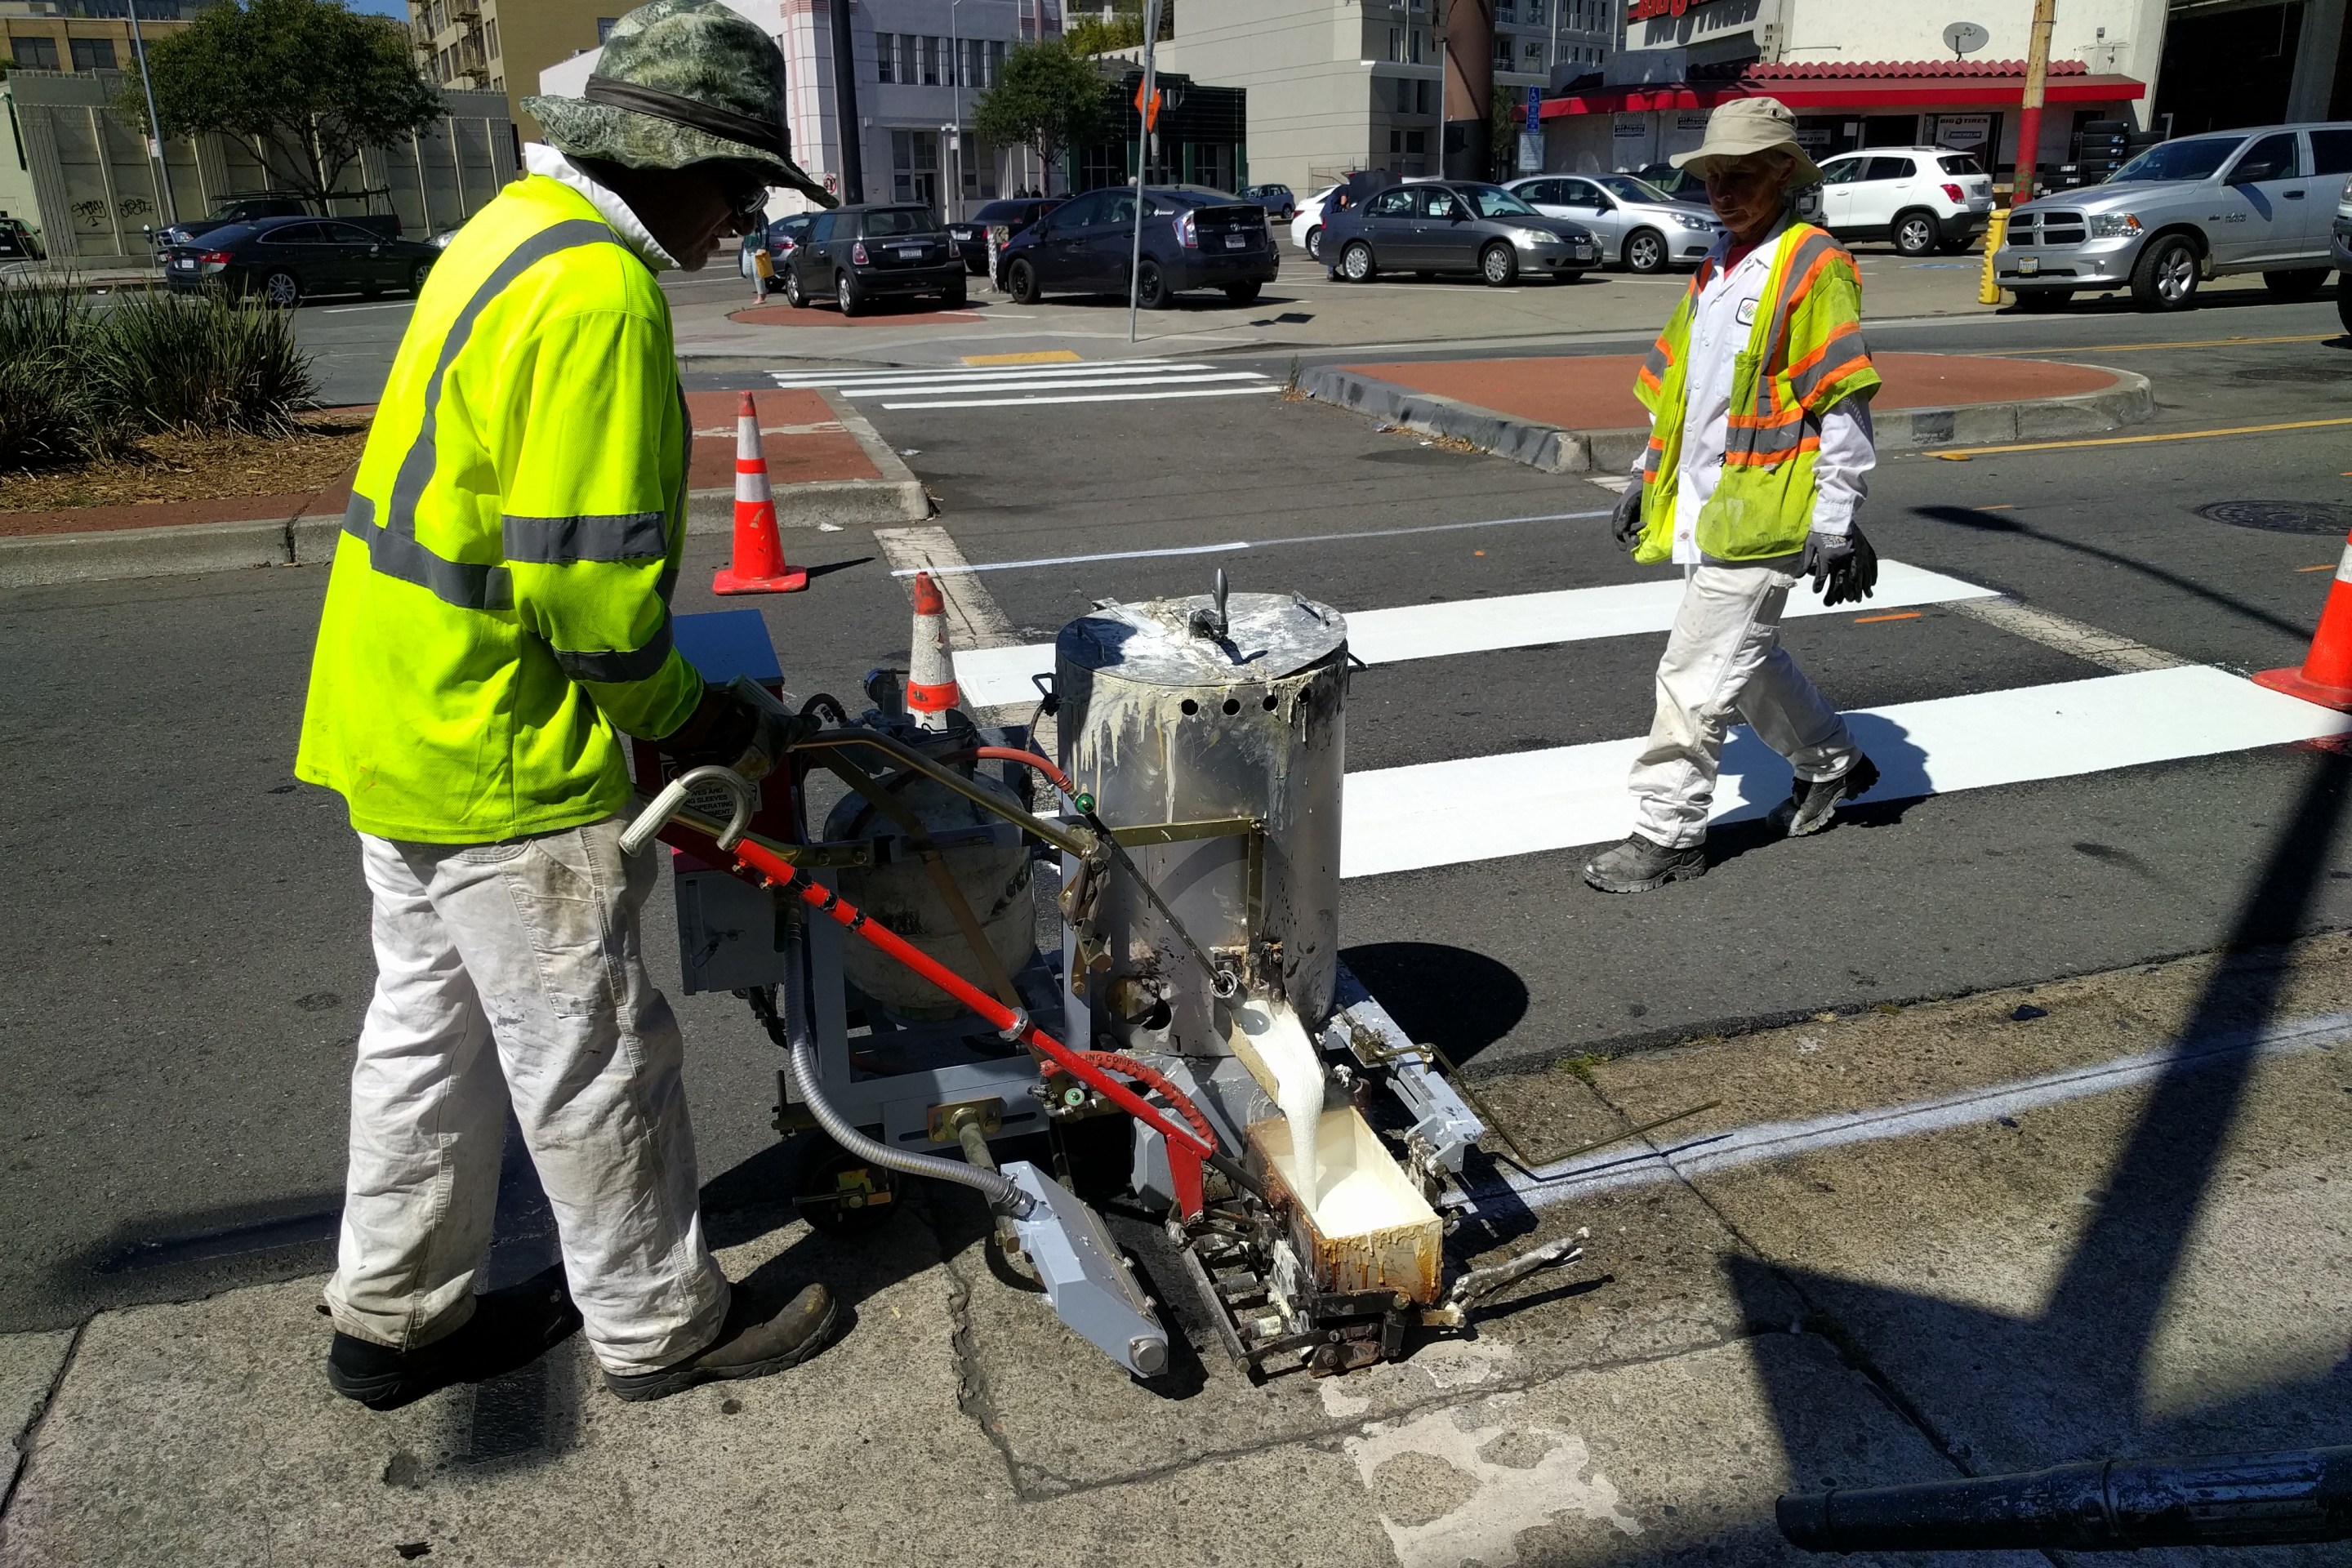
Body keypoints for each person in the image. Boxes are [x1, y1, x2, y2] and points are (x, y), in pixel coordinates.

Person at [296, 0, 843, 1409]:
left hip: (395, 718)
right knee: (592, 1052)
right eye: (737, 185)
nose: (740, 218)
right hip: (505, 749)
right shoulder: (599, 294)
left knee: (428, 1040)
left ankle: (391, 1322)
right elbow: (591, 601)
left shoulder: (503, 236)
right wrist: (708, 724)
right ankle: (660, 1327)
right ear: (668, 161)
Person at [1582, 97, 1883, 895]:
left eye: (1741, 175)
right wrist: (1644, 475)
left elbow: (1843, 403)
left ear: (1784, 173)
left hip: (1769, 515)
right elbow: (1682, 396)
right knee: (1743, 664)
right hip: (1712, 508)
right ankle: (1833, 762)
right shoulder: (1717, 265)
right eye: (1714, 176)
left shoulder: (1813, 264)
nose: (1722, 191)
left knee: (1692, 675)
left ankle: (1667, 834)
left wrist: (1836, 519)